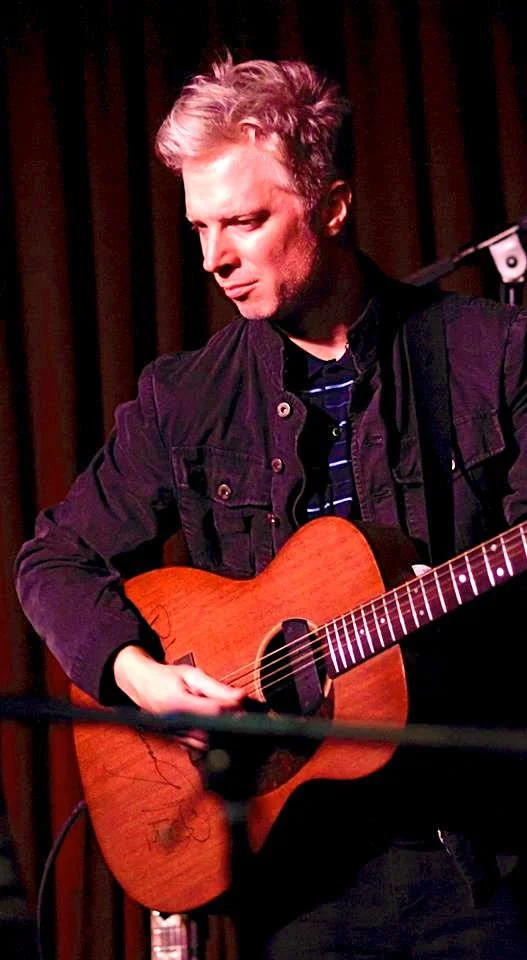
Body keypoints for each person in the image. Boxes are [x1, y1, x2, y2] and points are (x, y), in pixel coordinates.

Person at [15, 54, 527, 958]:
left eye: (244, 222)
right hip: (293, 870)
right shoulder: (184, 399)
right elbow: (53, 561)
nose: (214, 258)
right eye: (200, 227)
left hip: (478, 852)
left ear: (331, 206)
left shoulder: (491, 354)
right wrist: (139, 676)